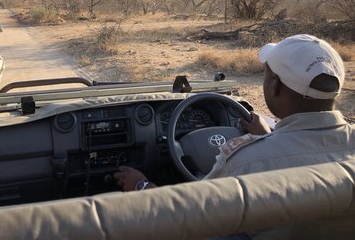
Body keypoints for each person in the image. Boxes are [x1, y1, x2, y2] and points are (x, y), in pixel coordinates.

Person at [114, 34, 354, 191]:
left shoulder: (245, 162)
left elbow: (193, 213)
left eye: (267, 75)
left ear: (275, 85)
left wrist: (143, 185)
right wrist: (266, 136)